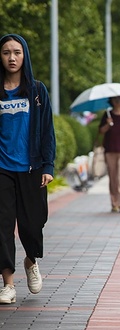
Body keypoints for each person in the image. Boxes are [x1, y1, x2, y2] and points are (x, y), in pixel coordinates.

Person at [0, 34, 56, 304]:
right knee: (2, 226)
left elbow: (47, 131)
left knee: (33, 225)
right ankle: (8, 284)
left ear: (24, 56)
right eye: (6, 52)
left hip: (32, 168)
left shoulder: (36, 90)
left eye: (17, 52)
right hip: (2, 169)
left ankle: (31, 260)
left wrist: (48, 165)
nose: (12, 58)